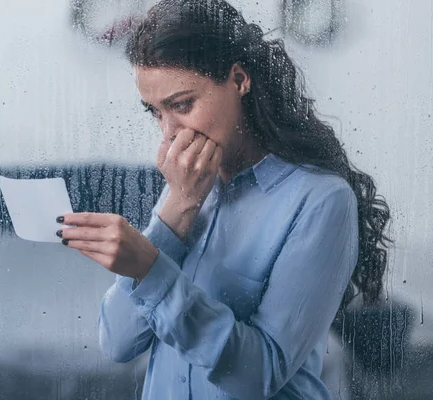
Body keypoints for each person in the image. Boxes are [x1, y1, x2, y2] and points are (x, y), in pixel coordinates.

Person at [55, 0, 391, 398]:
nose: (168, 133)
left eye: (182, 105)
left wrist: (150, 268)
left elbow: (259, 375)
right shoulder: (186, 186)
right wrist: (173, 215)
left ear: (238, 79)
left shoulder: (320, 201)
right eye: (155, 112)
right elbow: (118, 343)